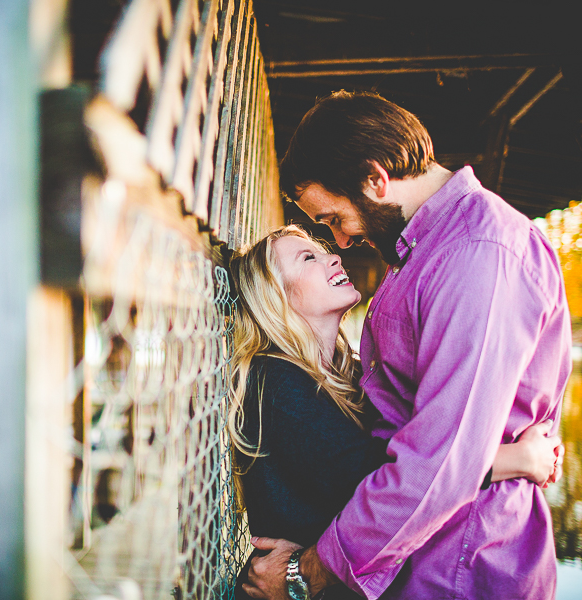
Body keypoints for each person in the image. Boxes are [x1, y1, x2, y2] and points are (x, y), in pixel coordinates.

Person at [241, 91, 572, 600]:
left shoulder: (477, 256)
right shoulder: (423, 251)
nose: (343, 243)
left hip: (462, 566)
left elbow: (441, 461)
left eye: (333, 219)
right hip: (417, 559)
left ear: (375, 180)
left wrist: (308, 573)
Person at [229, 225, 564, 600]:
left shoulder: (349, 375)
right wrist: (517, 459)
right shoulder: (274, 380)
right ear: (276, 296)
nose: (334, 256)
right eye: (308, 258)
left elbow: (411, 442)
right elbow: (377, 477)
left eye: (321, 250)